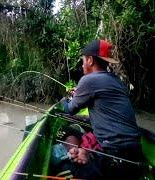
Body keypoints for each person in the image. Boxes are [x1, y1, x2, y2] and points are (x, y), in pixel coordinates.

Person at [61, 39, 143, 179]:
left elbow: (69, 110)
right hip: (135, 150)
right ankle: (84, 154)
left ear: (90, 60)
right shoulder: (117, 81)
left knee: (63, 168)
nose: (82, 65)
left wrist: (64, 100)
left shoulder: (88, 80)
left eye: (83, 61)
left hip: (116, 154)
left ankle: (79, 155)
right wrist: (79, 93)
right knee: (72, 130)